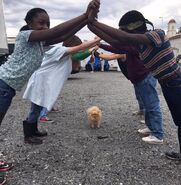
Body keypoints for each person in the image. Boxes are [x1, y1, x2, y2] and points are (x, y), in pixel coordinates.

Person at [0, 1, 100, 180]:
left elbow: (63, 34)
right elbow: (56, 32)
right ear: (29, 23)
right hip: (2, 85)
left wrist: (87, 20)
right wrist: (84, 15)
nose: (45, 26)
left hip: (7, 87)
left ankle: (29, 133)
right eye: (41, 23)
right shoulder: (25, 35)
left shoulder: (40, 43)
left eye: (47, 23)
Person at [88, 8, 181, 160]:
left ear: (134, 28)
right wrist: (90, 24)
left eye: (126, 31)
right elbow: (115, 41)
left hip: (176, 81)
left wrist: (95, 22)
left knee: (167, 113)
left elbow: (122, 37)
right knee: (178, 121)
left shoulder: (157, 34)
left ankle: (158, 135)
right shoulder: (139, 45)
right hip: (168, 84)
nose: (126, 35)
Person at [23, 36, 101, 143]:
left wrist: (94, 46)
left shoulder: (66, 54)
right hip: (40, 83)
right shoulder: (59, 50)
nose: (78, 48)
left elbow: (79, 55)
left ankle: (34, 130)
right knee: (35, 109)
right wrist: (96, 41)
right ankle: (28, 136)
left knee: (37, 108)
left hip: (44, 83)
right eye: (77, 45)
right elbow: (80, 52)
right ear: (72, 44)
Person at [99, 43, 163, 144]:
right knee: (147, 105)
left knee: (152, 105)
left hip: (145, 77)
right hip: (140, 78)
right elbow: (115, 47)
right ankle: (151, 128)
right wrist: (100, 45)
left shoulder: (133, 44)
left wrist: (99, 44)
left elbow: (115, 48)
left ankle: (158, 135)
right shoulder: (130, 44)